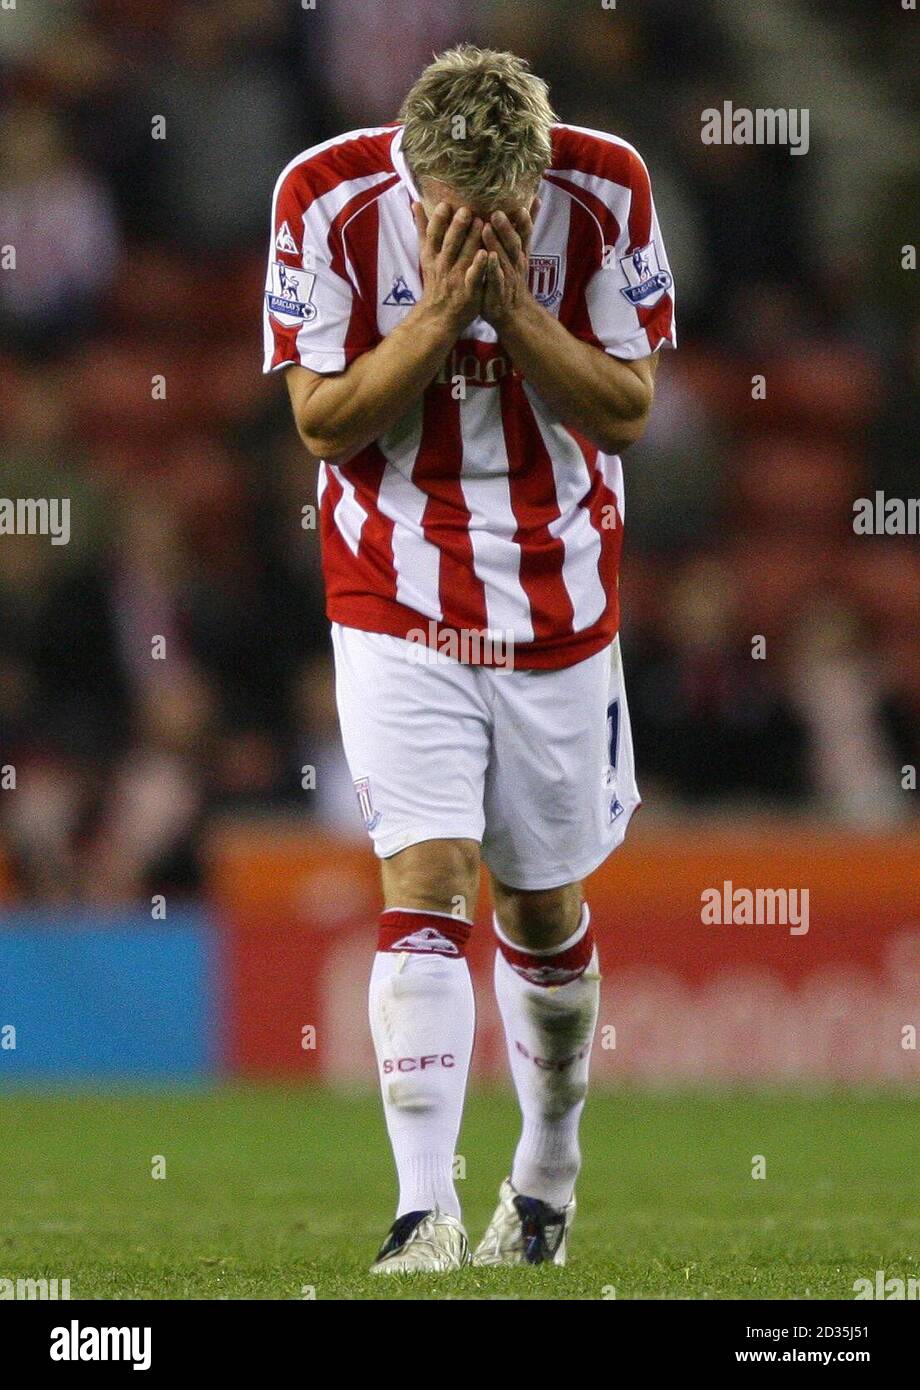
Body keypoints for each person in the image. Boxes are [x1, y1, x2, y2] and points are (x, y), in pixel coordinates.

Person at [263, 44, 675, 1272]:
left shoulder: (605, 189)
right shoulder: (325, 197)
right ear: (413, 170)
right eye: (458, 215)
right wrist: (442, 316)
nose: (485, 228)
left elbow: (626, 407)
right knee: (427, 873)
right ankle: (418, 1210)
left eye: (507, 212)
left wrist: (513, 312)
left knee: (541, 903)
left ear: (537, 172)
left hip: (557, 593)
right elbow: (321, 423)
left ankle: (543, 1180)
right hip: (391, 584)